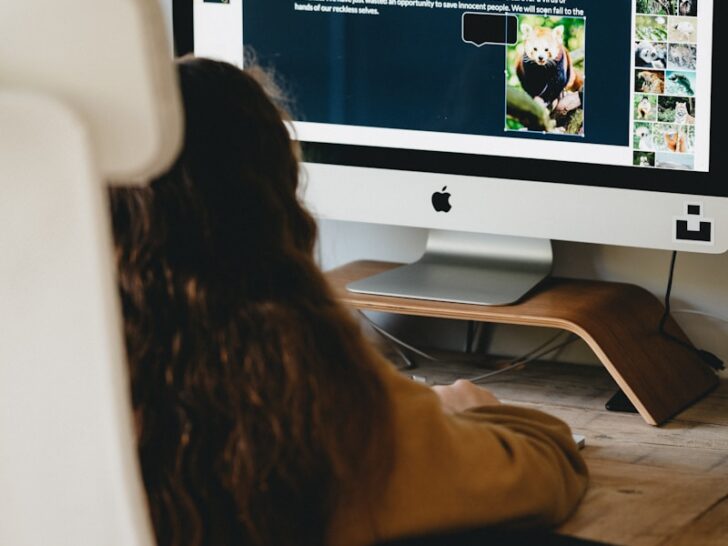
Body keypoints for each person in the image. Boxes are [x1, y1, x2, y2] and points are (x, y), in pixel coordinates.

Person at [109, 57, 588, 546]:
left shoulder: (68, 381)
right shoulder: (309, 395)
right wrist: (467, 408)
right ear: (272, 206)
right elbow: (543, 470)